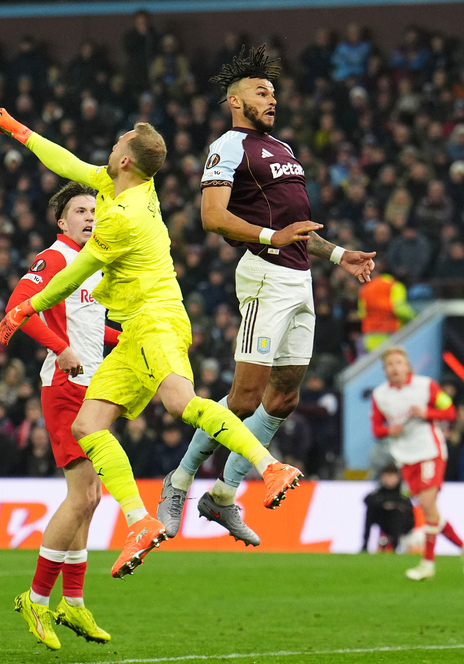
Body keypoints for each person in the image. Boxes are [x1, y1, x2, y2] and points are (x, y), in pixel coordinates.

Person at [0, 107, 302, 579]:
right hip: (135, 330)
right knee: (88, 425)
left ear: (125, 161)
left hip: (156, 319)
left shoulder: (122, 216)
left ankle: (269, 466)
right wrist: (18, 130)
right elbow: (68, 163)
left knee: (181, 403)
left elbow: (76, 273)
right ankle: (139, 521)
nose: (112, 145)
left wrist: (24, 309)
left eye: (118, 142)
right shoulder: (126, 185)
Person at [156, 45, 375, 546]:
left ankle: (223, 495)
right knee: (244, 397)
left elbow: (298, 230)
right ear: (236, 101)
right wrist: (272, 237)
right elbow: (212, 216)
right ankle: (180, 480)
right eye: (261, 92)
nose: (272, 99)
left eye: (273, 92)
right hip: (264, 276)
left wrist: (340, 255)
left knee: (284, 398)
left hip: (300, 279)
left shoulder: (283, 148)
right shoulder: (228, 146)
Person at [6, 182, 119, 650]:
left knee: (92, 497)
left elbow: (90, 326)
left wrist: (129, 340)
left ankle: (72, 603)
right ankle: (35, 599)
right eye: (80, 211)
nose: (90, 216)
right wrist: (60, 347)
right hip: (65, 387)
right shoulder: (54, 259)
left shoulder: (93, 264)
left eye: (94, 210)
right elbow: (18, 309)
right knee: (81, 496)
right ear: (62, 221)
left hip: (93, 388)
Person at [369, 347, 464, 581]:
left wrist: (427, 413)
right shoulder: (380, 395)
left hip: (430, 452)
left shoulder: (427, 386)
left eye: (399, 362)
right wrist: (389, 430)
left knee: (428, 504)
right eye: (390, 364)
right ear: (385, 370)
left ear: (408, 366)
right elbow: (376, 429)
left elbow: (450, 412)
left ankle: (427, 564)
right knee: (431, 512)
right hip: (405, 458)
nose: (395, 368)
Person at [362, 462, 415, 553]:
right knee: (370, 511)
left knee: (395, 514)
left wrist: (394, 506)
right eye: (386, 476)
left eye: (391, 476)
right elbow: (367, 499)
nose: (388, 479)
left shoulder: (402, 490)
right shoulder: (380, 490)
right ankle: (365, 546)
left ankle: (395, 546)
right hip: (385, 521)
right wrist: (384, 505)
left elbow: (408, 505)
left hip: (402, 523)